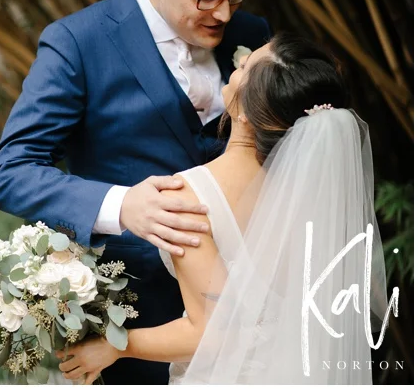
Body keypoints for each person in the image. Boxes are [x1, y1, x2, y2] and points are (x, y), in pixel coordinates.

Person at [0, 0, 271, 384]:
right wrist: (122, 206)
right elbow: (10, 170)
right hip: (130, 320)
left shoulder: (252, 34)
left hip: (248, 306)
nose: (223, 13)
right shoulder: (78, 42)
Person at [56, 34, 393, 384]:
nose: (237, 66)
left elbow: (211, 335)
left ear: (246, 112)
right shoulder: (320, 196)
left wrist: (116, 346)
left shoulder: (189, 196)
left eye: (245, 67)